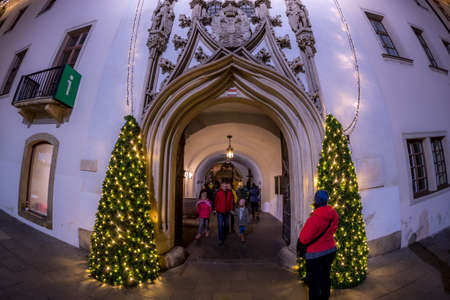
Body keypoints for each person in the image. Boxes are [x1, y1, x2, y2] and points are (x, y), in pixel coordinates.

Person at [299, 190, 339, 300]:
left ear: (316, 201)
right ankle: (325, 297)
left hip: (315, 255)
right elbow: (333, 229)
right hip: (330, 250)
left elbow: (303, 239)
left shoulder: (314, 218)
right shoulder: (333, 213)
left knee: (314, 283)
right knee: (325, 276)